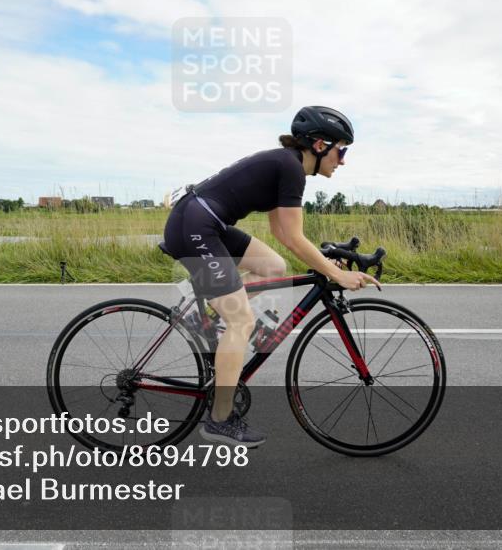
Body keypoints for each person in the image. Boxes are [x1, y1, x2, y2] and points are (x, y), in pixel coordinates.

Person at [161, 106, 381, 447]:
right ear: (320, 145)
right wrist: (336, 274)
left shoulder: (289, 167)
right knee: (241, 322)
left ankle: (211, 310)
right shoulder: (290, 167)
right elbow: (294, 236)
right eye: (342, 150)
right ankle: (219, 420)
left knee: (273, 267)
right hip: (196, 226)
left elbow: (283, 232)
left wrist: (326, 259)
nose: (343, 160)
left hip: (206, 223)